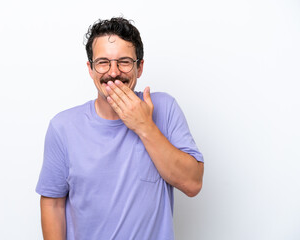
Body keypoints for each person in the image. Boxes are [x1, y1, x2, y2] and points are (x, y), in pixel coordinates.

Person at [36, 17, 204, 240]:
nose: (113, 72)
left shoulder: (165, 108)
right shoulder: (63, 127)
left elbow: (192, 184)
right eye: (103, 62)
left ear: (139, 67)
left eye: (124, 62)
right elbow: (53, 203)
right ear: (91, 69)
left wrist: (144, 126)